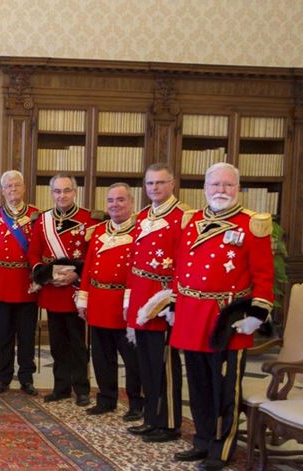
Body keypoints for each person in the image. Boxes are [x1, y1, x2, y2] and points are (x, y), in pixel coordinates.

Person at [169, 162, 274, 471]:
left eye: (228, 185)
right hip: (191, 316)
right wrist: (174, 304)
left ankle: (222, 446)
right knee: (198, 385)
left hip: (227, 321)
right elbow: (179, 268)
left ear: (238, 188)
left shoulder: (251, 224)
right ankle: (202, 441)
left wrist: (257, 313)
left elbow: (264, 276)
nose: (221, 191)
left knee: (225, 388)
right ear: (205, 188)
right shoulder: (193, 220)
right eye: (215, 185)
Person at [124, 163, 187, 443]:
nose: (155, 189)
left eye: (160, 183)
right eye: (150, 184)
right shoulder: (141, 217)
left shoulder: (182, 218)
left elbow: (185, 263)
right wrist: (129, 298)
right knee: (146, 365)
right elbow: (134, 261)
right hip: (140, 300)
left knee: (164, 366)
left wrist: (172, 300)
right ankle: (152, 418)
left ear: (172, 184)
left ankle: (169, 423)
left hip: (163, 303)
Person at [28, 173, 102, 407]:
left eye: (66, 190)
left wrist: (76, 274)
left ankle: (81, 388)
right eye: (57, 191)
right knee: (58, 344)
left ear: (75, 192)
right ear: (51, 193)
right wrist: (47, 275)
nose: (62, 195)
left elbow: (93, 256)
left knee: (78, 344)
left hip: (75, 291)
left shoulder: (89, 220)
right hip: (52, 290)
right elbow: (33, 253)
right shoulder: (43, 220)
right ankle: (60, 387)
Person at [76, 183, 143, 420]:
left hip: (123, 306)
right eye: (111, 200)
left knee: (132, 359)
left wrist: (130, 303)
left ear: (132, 202)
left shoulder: (140, 232)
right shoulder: (99, 232)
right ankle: (106, 399)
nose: (115, 205)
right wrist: (83, 299)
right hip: (99, 302)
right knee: (102, 357)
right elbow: (88, 270)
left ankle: (136, 403)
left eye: (121, 200)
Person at [0, 170, 39, 395]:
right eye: (8, 187)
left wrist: (40, 279)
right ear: (2, 191)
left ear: (23, 188)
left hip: (26, 284)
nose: (13, 190)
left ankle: (26, 377)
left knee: (26, 335)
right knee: (3, 335)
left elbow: (39, 250)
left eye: (17, 185)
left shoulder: (35, 215)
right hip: (1, 283)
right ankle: (3, 377)